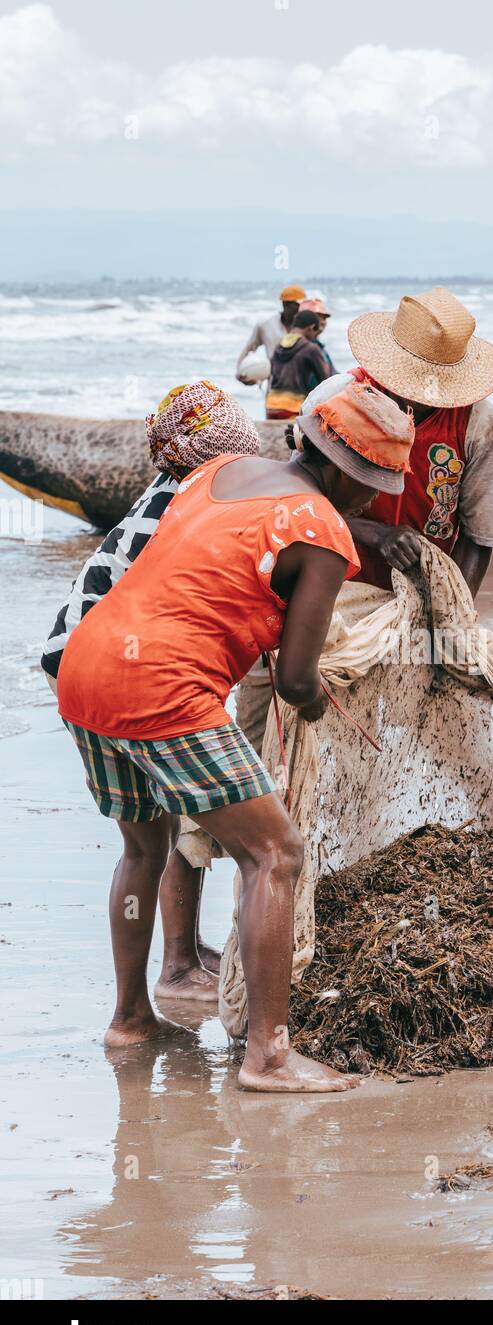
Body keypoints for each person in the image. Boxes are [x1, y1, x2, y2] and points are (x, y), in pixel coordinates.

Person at [56, 381, 413, 1092]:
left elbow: (208, 575)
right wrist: (319, 705)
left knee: (144, 845)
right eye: (373, 487)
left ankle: (130, 1019)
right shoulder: (322, 530)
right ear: (345, 470)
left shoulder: (219, 472)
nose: (373, 503)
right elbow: (299, 681)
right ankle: (269, 1054)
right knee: (275, 854)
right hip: (162, 688)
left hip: (86, 666)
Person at [42, 381, 263, 1001]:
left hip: (72, 665)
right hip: (125, 673)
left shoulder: (159, 493)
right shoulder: (197, 507)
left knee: (145, 842)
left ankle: (136, 1007)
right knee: (240, 838)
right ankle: (177, 965)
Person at [304, 286, 493, 595]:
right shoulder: (338, 399)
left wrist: (452, 618)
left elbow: (479, 537)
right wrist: (376, 534)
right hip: (337, 585)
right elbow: (302, 506)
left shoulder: (481, 424)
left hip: (423, 591)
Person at [265, 310, 334, 421]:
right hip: (293, 407)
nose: (314, 337)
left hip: (272, 406)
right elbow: (326, 381)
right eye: (315, 333)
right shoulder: (311, 348)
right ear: (311, 328)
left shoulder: (278, 346)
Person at [235, 284, 307, 386]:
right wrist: (241, 373)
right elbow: (248, 349)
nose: (302, 309)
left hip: (302, 385)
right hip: (275, 386)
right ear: (285, 304)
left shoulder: (306, 327)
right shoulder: (266, 325)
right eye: (298, 305)